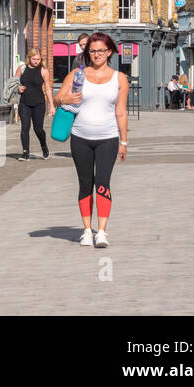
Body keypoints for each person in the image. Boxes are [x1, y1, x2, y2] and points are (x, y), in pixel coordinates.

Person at [56, 31, 128, 248]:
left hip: (108, 138)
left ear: (109, 52)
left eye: (101, 50)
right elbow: (59, 97)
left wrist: (124, 142)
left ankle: (102, 231)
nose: (97, 54)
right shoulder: (78, 74)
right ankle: (87, 230)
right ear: (87, 52)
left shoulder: (119, 78)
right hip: (80, 137)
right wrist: (65, 98)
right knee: (85, 183)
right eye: (93, 50)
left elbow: (121, 111)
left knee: (103, 183)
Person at [15, 49, 53, 160]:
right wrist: (18, 88)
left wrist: (52, 106)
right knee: (25, 127)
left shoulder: (43, 70)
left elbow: (47, 88)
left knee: (38, 129)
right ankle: (25, 153)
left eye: (38, 59)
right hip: (24, 103)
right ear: (29, 58)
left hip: (39, 103)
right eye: (34, 59)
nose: (36, 61)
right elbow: (14, 83)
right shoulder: (22, 69)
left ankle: (44, 146)